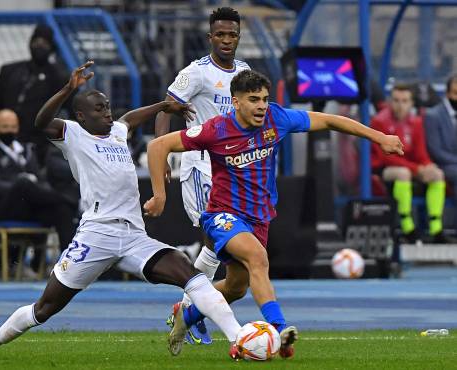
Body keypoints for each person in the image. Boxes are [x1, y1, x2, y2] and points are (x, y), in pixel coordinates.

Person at [0, 61, 245, 361]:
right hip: (95, 235)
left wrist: (164, 106)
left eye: (107, 106)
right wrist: (67, 89)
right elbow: (40, 122)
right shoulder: (73, 134)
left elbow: (129, 118)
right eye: (99, 109)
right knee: (44, 309)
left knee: (189, 273)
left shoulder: (116, 131)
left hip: (132, 236)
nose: (107, 112)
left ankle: (239, 338)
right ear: (81, 116)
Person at [144, 70, 404, 359]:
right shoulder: (216, 129)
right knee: (258, 258)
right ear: (236, 102)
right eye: (253, 99)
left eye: (265, 99)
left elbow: (330, 120)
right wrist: (160, 195)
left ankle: (187, 315)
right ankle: (279, 329)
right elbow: (158, 145)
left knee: (236, 287)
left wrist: (379, 137)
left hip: (259, 218)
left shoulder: (276, 119)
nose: (261, 106)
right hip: (223, 215)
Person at [154, 6, 250, 344]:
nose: (226, 40)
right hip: (200, 163)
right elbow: (165, 109)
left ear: (239, 36)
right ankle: (193, 308)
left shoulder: (244, 71)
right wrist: (162, 151)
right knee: (214, 238)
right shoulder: (196, 72)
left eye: (232, 34)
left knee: (222, 244)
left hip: (234, 167)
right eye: (220, 35)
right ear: (210, 37)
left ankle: (189, 308)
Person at [0, 109, 76, 277]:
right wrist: (19, 184)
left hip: (30, 205)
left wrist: (31, 187)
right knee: (24, 183)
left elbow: (40, 181)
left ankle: (70, 266)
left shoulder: (26, 151)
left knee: (62, 210)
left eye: (13, 126)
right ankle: (72, 201)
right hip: (3, 207)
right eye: (5, 126)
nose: (10, 130)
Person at [371, 84, 448, 244]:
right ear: (390, 101)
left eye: (405, 101)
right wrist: (416, 169)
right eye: (396, 100)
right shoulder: (380, 121)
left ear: (412, 103)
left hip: (410, 167)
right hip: (382, 169)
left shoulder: (416, 122)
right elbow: (386, 157)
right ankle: (407, 227)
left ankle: (436, 228)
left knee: (437, 174)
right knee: (402, 173)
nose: (400, 105)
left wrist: (427, 165)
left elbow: (420, 153)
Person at [0, 24, 69, 164]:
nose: (39, 46)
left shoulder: (59, 77)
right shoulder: (10, 71)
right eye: (35, 42)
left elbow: (70, 110)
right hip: (4, 135)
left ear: (51, 47)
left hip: (39, 142)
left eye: (44, 43)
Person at [424, 75, 457, 228]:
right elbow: (435, 150)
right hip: (442, 165)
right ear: (448, 94)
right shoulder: (433, 116)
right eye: (456, 93)